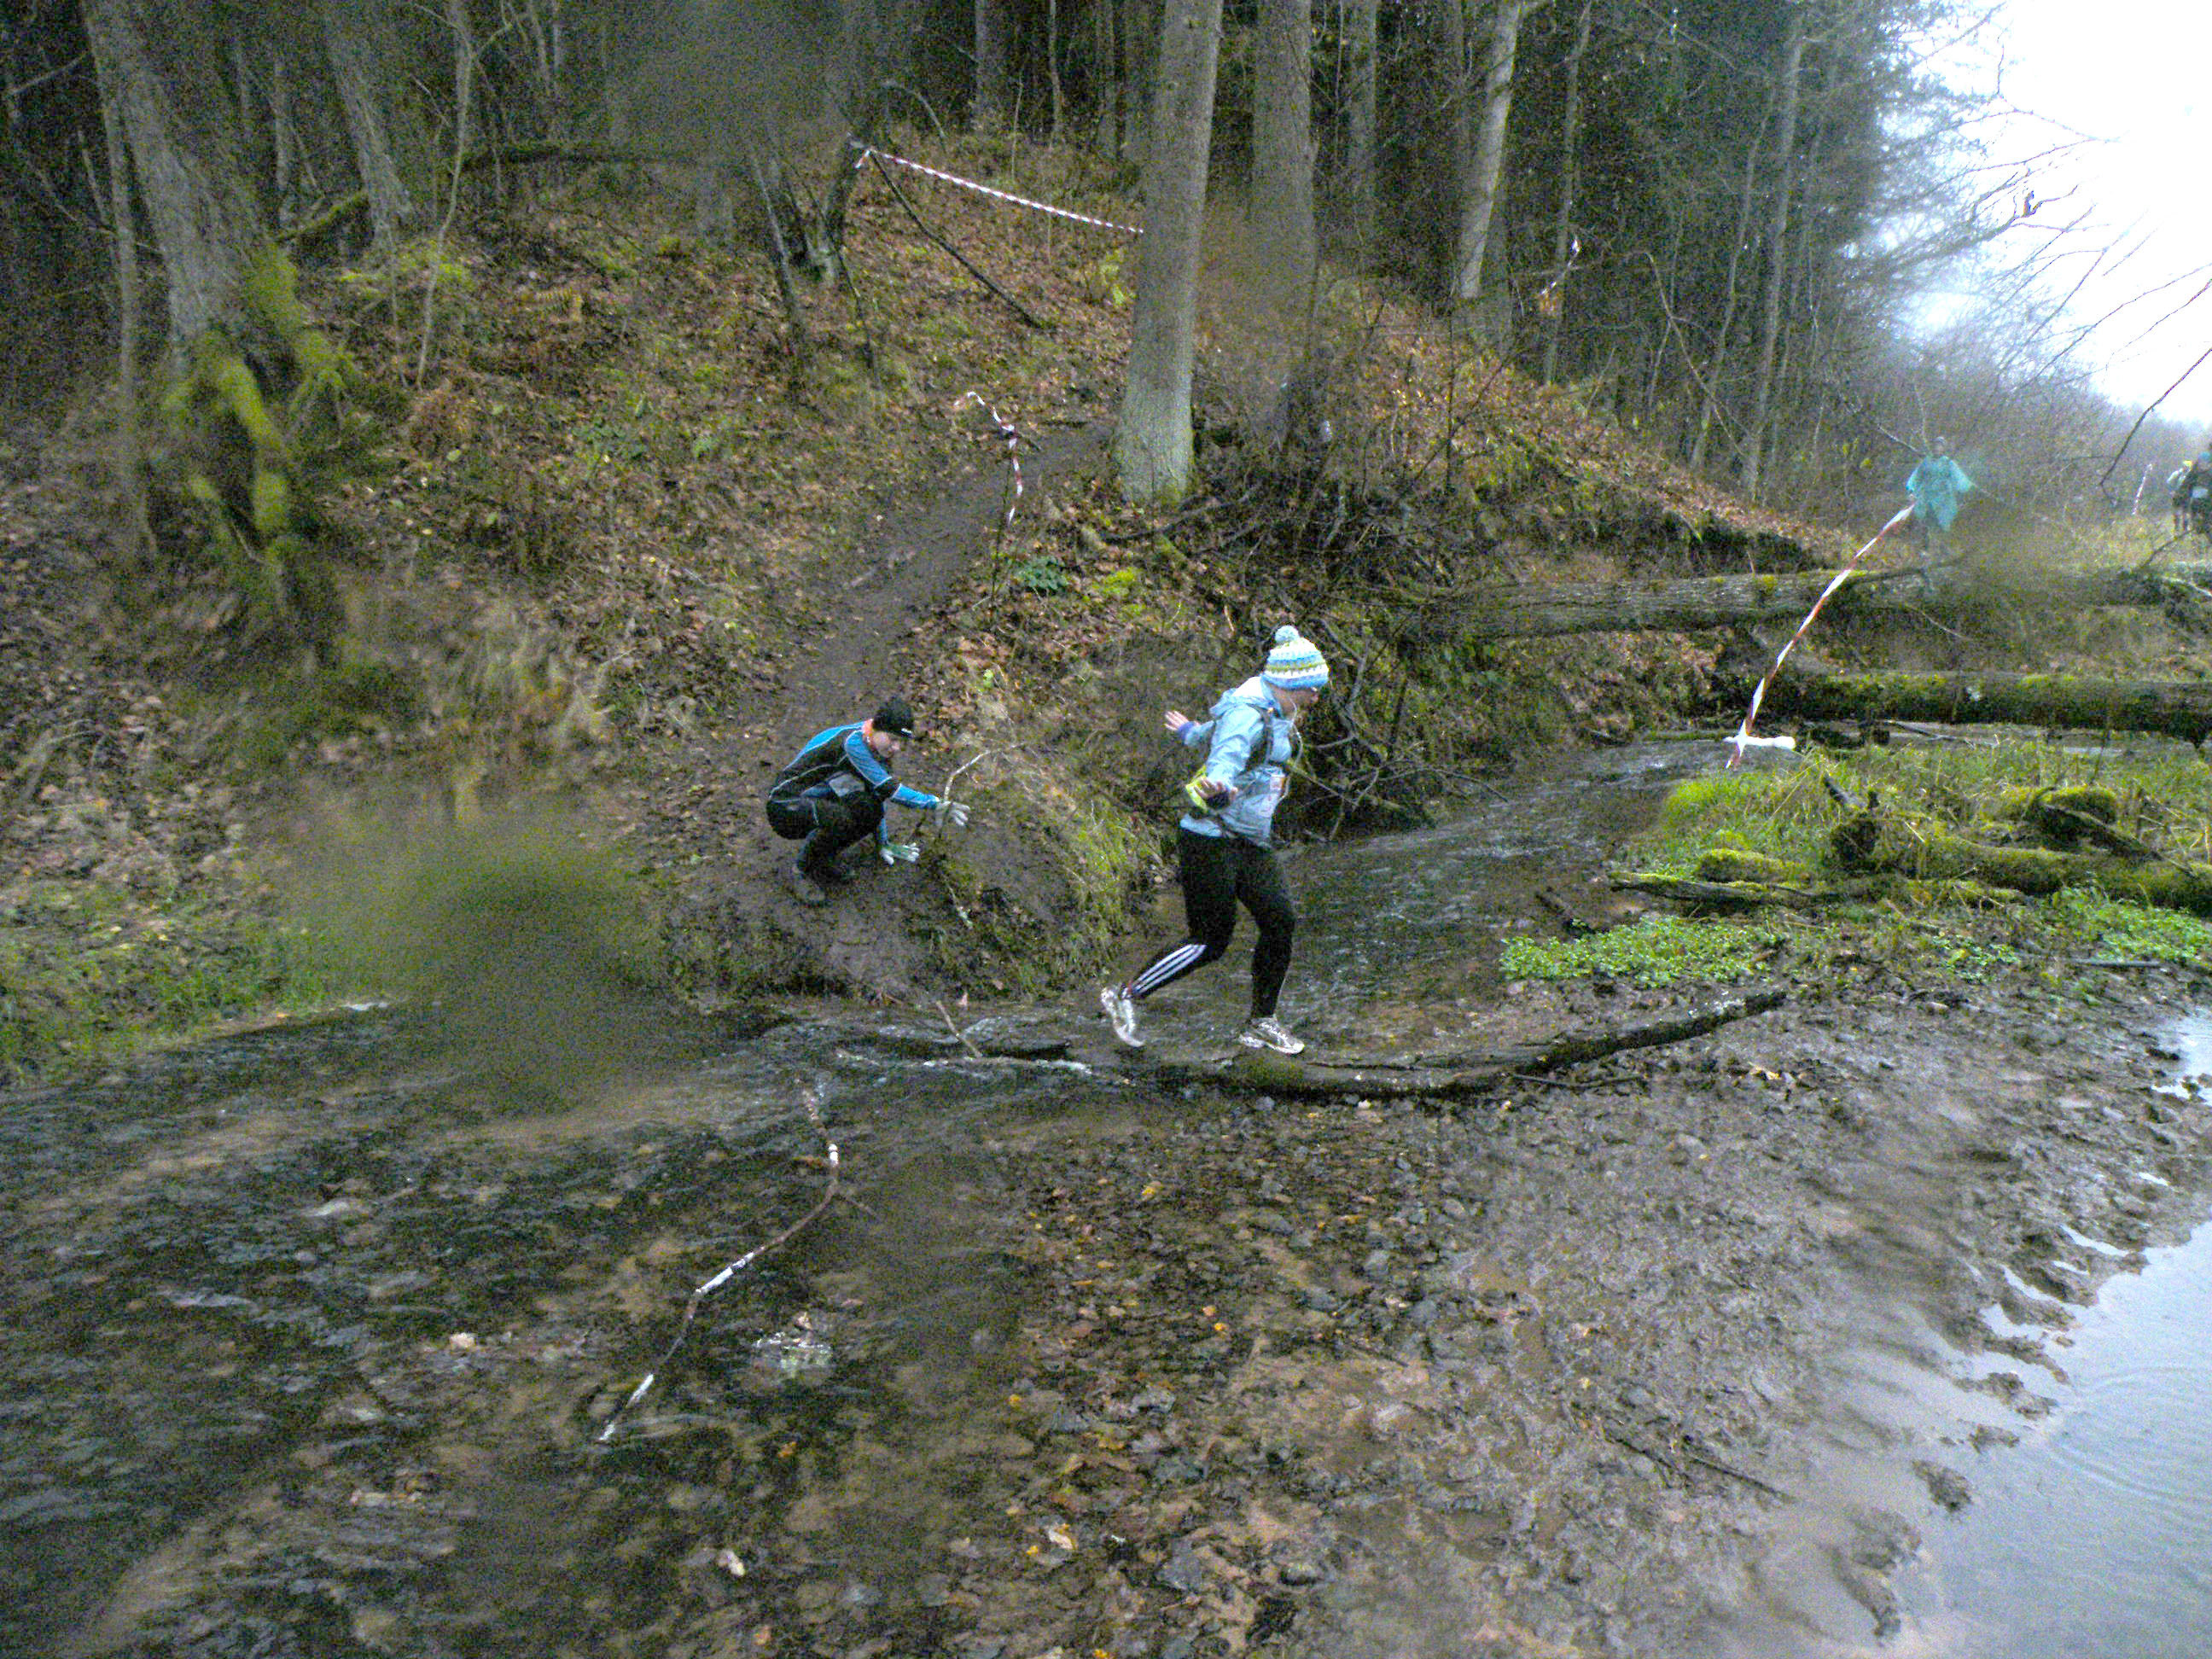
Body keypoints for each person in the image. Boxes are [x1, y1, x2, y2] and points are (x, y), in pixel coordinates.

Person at [1098, 626, 1328, 1056]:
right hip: (1211, 839)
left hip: (1250, 840)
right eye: (1311, 688)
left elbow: (1216, 729)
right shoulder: (1249, 714)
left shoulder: (1273, 706)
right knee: (1210, 940)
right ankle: (1125, 994)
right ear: (1287, 685)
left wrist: (1191, 733)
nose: (1317, 695)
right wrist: (1219, 787)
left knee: (1280, 921)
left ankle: (1261, 1023)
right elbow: (1229, 750)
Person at [765, 696, 968, 905]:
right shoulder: (853, 745)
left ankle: (822, 857)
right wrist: (935, 804)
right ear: (877, 728)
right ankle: (798, 871)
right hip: (784, 805)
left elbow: (877, 799)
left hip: (820, 794)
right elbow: (891, 790)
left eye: (901, 742)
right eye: (892, 739)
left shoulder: (873, 746)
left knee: (868, 809)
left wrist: (883, 843)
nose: (897, 748)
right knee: (840, 819)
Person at [1903, 439, 1974, 582]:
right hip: (1926, 497)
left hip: (1943, 500)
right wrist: (1911, 491)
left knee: (1942, 525)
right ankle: (1925, 549)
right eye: (1935, 446)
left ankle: (1943, 551)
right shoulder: (1926, 462)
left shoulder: (1949, 463)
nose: (1937, 449)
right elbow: (1916, 477)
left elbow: (1960, 479)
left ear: (1944, 448)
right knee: (1925, 523)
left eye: (1940, 446)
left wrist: (1969, 489)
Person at [2180, 444, 2212, 540]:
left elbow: (2187, 484)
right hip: (2199, 502)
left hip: (2204, 502)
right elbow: (2186, 485)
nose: (2203, 465)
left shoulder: (2203, 468)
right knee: (2201, 526)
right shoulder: (2195, 471)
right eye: (2202, 463)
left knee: (2203, 525)